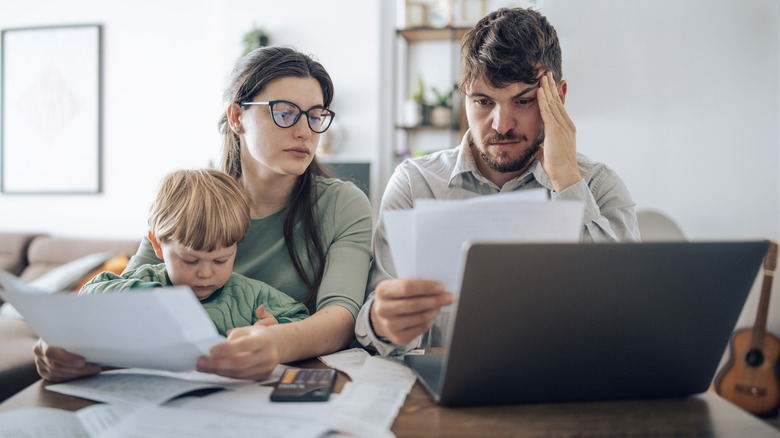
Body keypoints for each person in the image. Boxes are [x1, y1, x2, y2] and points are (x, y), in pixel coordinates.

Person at [34, 46, 373, 382]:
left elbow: (343, 317)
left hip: (283, 383)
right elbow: (128, 298)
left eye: (315, 116)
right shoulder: (192, 200)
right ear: (237, 117)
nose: (304, 132)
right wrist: (64, 344)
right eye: (285, 112)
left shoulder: (343, 204)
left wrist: (276, 342)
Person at [356, 7, 640, 356]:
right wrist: (384, 325)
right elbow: (377, 326)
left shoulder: (600, 185)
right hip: (442, 398)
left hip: (562, 395)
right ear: (464, 100)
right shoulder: (416, 183)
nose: (501, 124)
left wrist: (567, 179)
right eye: (483, 101)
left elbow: (621, 318)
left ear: (558, 98)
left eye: (523, 101)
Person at [79, 168, 310, 336]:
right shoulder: (147, 280)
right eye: (191, 260)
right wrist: (147, 295)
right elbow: (88, 296)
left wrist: (275, 331)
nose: (206, 273)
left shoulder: (250, 296)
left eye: (220, 260)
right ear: (158, 245)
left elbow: (301, 319)